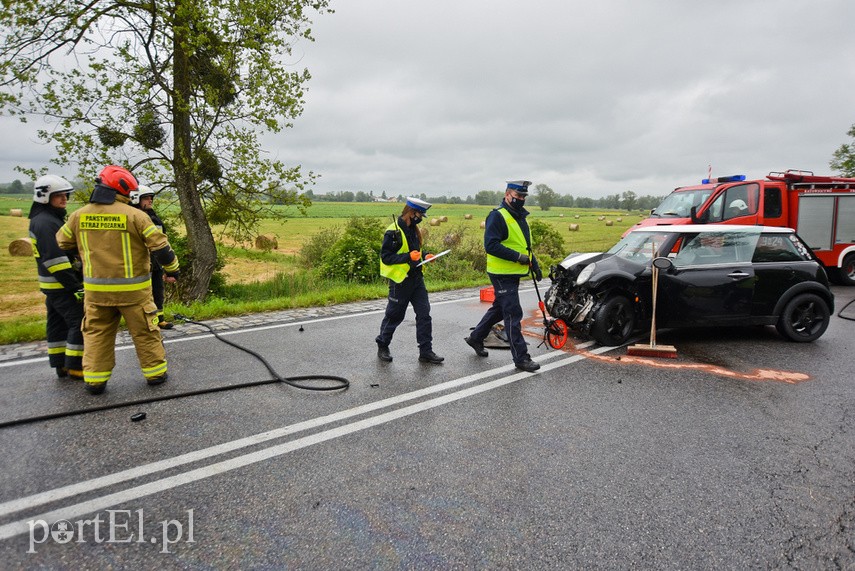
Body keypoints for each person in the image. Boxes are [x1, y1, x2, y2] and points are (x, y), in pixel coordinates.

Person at [57, 165, 180, 395]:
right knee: (145, 332)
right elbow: (161, 248)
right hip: (134, 293)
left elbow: (62, 243)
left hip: (96, 293)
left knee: (96, 334)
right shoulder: (136, 216)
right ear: (122, 191)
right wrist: (173, 270)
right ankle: (155, 374)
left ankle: (95, 380)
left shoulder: (79, 215)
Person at [465, 180, 542, 372]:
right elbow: (491, 246)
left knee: (500, 309)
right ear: (508, 194)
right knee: (513, 313)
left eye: (524, 196)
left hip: (513, 272)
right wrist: (518, 257)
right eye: (518, 196)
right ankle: (521, 358)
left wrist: (535, 264)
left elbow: (523, 246)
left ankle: (476, 338)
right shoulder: (497, 216)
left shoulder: (519, 216)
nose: (521, 199)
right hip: (501, 273)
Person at [28, 175, 85, 381]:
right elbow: (56, 260)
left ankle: (60, 364)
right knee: (79, 322)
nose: (64, 200)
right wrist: (75, 286)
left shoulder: (45, 219)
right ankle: (76, 367)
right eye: (58, 196)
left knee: (57, 324)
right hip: (61, 285)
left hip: (52, 286)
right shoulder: (46, 223)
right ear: (45, 197)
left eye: (65, 195)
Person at [375, 197, 444, 364]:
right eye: (419, 215)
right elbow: (386, 257)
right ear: (411, 213)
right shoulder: (393, 231)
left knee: (424, 315)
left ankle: (426, 352)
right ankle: (383, 345)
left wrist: (426, 255)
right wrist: (407, 257)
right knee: (394, 316)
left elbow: (416, 252)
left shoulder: (414, 229)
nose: (420, 218)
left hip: (416, 279)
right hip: (400, 281)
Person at [131, 185, 172, 329]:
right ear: (136, 199)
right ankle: (145, 323)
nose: (150, 201)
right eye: (146, 198)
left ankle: (159, 319)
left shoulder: (154, 218)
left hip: (155, 263)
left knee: (157, 293)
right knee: (144, 296)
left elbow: (162, 241)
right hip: (141, 264)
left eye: (151, 198)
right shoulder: (134, 217)